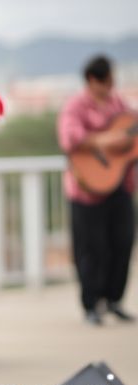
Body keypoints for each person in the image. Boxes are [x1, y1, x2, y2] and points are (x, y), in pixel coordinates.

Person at [57, 55, 135, 325]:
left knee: (122, 242)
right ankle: (91, 304)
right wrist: (104, 140)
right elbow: (69, 138)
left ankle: (113, 300)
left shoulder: (118, 104)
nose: (112, 84)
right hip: (87, 189)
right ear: (93, 79)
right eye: (108, 79)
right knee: (91, 249)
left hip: (120, 185)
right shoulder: (76, 105)